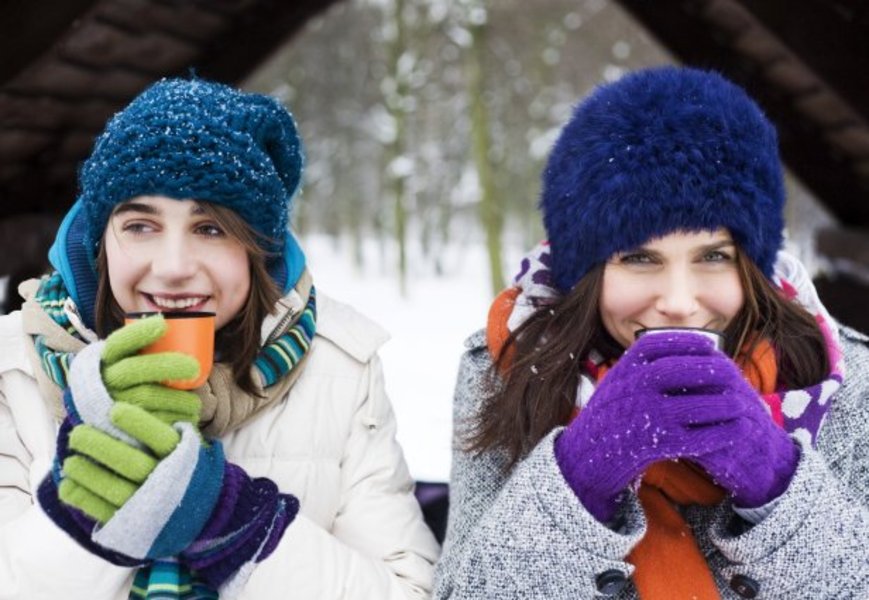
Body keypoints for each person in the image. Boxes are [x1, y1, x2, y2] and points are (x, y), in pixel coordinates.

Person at [433, 66, 869, 599]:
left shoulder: (842, 379)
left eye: (713, 256)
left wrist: (775, 481)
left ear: (751, 265)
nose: (679, 303)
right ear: (587, 272)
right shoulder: (508, 369)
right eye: (640, 258)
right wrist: (578, 478)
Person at [0, 78, 439, 599]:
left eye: (211, 229)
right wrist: (84, 510)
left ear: (258, 250)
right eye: (140, 225)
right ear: (101, 241)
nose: (173, 268)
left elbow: (412, 592)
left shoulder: (339, 367)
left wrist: (229, 521)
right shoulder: (14, 366)